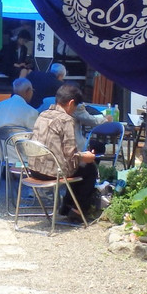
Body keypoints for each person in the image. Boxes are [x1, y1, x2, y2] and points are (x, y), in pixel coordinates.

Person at [29, 83, 99, 222]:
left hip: (34, 170)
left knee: (76, 169)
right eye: (74, 107)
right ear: (71, 103)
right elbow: (70, 155)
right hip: (51, 173)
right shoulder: (66, 119)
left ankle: (66, 207)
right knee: (89, 169)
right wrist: (86, 157)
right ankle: (77, 210)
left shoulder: (43, 114)